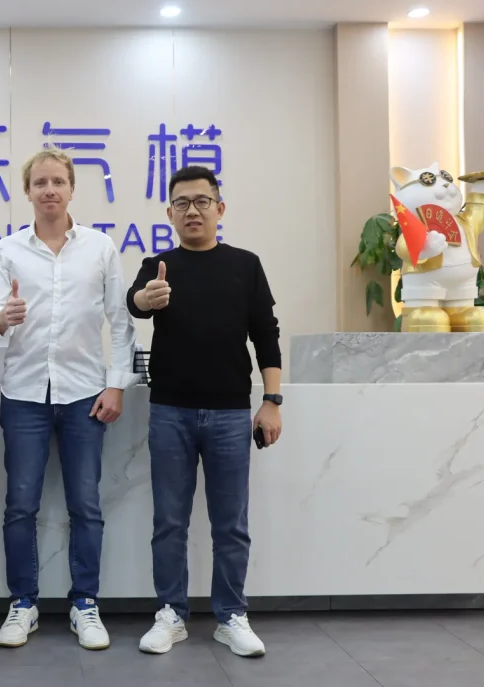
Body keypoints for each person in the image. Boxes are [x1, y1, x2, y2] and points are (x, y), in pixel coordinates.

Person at [0, 149, 139, 651]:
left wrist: (116, 384)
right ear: (27, 192)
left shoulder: (100, 248)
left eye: (58, 181)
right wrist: (4, 317)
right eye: (40, 182)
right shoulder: (7, 251)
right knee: (19, 506)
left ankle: (84, 603)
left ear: (72, 189)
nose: (49, 190)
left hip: (84, 395)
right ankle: (22, 603)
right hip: (24, 393)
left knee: (85, 505)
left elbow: (122, 321)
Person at [126, 165, 282, 658]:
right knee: (169, 521)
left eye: (200, 201)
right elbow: (133, 304)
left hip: (232, 414)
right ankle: (171, 614)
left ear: (220, 208)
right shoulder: (158, 265)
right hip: (170, 411)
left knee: (230, 523)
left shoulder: (246, 264)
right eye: (181, 203)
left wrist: (272, 401)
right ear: (169, 212)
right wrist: (145, 298)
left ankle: (231, 615)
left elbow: (267, 336)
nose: (191, 210)